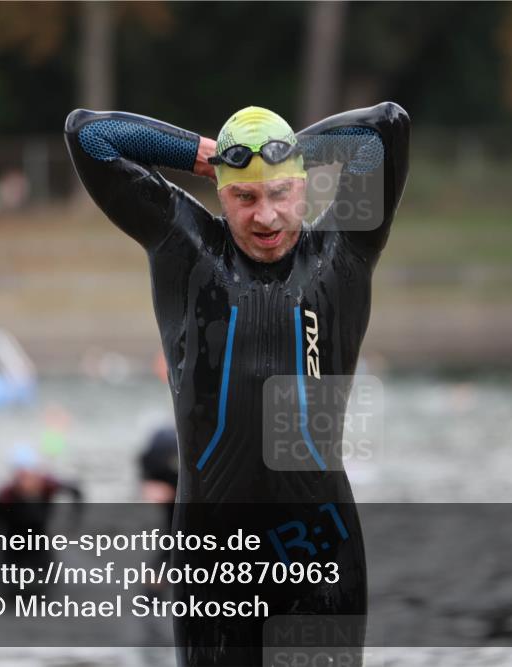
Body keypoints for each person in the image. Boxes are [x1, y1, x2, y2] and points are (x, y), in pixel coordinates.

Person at [66, 101, 410, 666]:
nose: (266, 217)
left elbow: (386, 129)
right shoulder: (186, 250)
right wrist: (204, 155)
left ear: (302, 185)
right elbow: (89, 136)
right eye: (244, 196)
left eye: (280, 192)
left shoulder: (345, 251)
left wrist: (281, 150)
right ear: (221, 194)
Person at [0, 445, 84, 596]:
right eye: (22, 476)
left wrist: (73, 520)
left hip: (39, 540)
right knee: (14, 587)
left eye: (31, 475)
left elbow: (76, 490)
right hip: (14, 544)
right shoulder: (5, 497)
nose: (28, 481)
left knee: (47, 582)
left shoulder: (48, 485)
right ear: (16, 476)